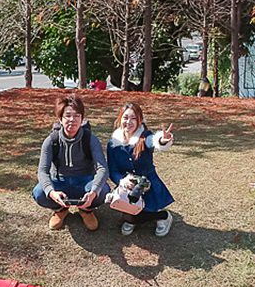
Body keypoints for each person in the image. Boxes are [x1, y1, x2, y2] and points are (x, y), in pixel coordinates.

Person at [33, 94, 108, 231]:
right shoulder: (51, 141)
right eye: (68, 115)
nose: (72, 120)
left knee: (103, 190)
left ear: (82, 119)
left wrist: (93, 191)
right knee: (39, 192)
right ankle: (60, 209)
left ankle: (86, 209)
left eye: (77, 116)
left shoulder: (90, 139)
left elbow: (102, 168)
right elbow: (42, 171)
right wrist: (51, 192)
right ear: (60, 119)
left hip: (85, 182)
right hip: (60, 181)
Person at [106, 103, 176, 236]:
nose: (129, 122)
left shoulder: (144, 137)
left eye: (133, 118)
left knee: (150, 209)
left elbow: (153, 141)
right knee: (129, 215)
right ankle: (133, 218)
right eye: (126, 117)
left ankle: (164, 216)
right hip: (128, 186)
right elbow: (113, 170)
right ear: (120, 119)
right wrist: (122, 181)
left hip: (148, 183)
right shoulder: (113, 143)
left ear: (140, 120)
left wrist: (162, 139)